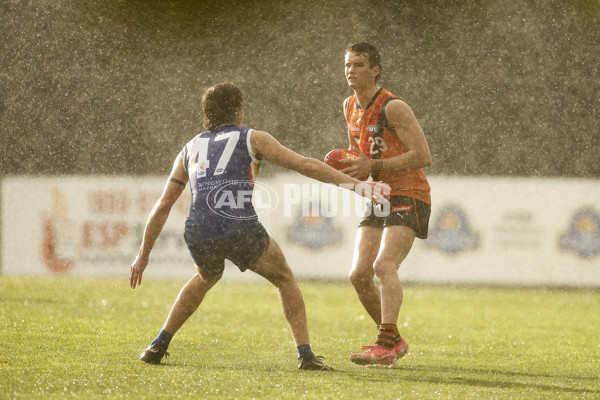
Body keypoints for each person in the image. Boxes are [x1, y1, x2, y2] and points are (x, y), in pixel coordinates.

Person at [129, 82, 388, 371]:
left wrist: (143, 254)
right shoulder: (253, 138)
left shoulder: (189, 148)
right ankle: (305, 355)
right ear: (239, 111)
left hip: (199, 228)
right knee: (284, 278)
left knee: (205, 277)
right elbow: (305, 165)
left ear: (207, 115)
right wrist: (357, 186)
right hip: (238, 225)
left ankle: (158, 344)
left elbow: (163, 205)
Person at [339, 43, 432, 366]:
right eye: (348, 64)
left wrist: (373, 168)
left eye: (360, 65)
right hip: (381, 195)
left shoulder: (393, 107)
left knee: (383, 265)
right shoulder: (349, 105)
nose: (352, 70)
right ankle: (393, 339)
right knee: (359, 274)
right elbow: (361, 158)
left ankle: (385, 341)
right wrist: (353, 174)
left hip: (409, 192)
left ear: (376, 70)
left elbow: (423, 156)